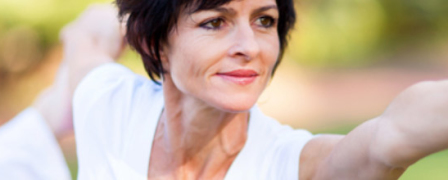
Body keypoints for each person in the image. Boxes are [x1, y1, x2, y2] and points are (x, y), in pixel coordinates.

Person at [66, 1, 448, 180]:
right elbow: (83, 40)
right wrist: (111, 16)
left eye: (265, 21)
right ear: (155, 45)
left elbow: (391, 136)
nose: (250, 46)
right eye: (215, 22)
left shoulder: (294, 165)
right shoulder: (109, 103)